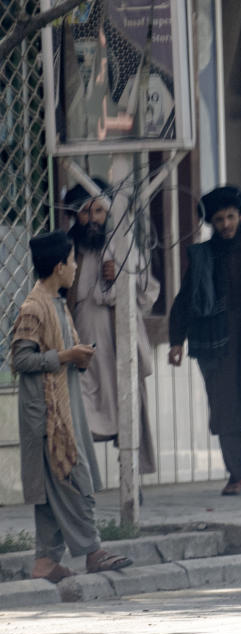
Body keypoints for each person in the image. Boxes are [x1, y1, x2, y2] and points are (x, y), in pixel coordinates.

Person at [12, 231, 133, 583]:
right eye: (72, 260)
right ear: (58, 266)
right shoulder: (34, 307)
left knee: (55, 491)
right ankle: (93, 551)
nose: (77, 266)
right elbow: (21, 360)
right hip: (48, 417)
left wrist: (79, 357)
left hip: (66, 408)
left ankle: (45, 563)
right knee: (72, 480)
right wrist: (66, 356)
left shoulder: (57, 304)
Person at [168, 186, 241, 495]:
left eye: (230, 217)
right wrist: (176, 341)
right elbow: (185, 299)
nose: (226, 224)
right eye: (219, 219)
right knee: (225, 408)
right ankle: (235, 476)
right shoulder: (202, 257)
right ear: (211, 223)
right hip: (217, 345)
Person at [63, 179, 159, 475]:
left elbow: (148, 293)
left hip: (120, 347)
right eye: (85, 213)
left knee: (127, 411)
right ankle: (82, 479)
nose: (92, 219)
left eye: (99, 212)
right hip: (83, 350)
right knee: (80, 414)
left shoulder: (123, 246)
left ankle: (131, 479)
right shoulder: (68, 253)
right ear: (75, 217)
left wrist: (122, 277)